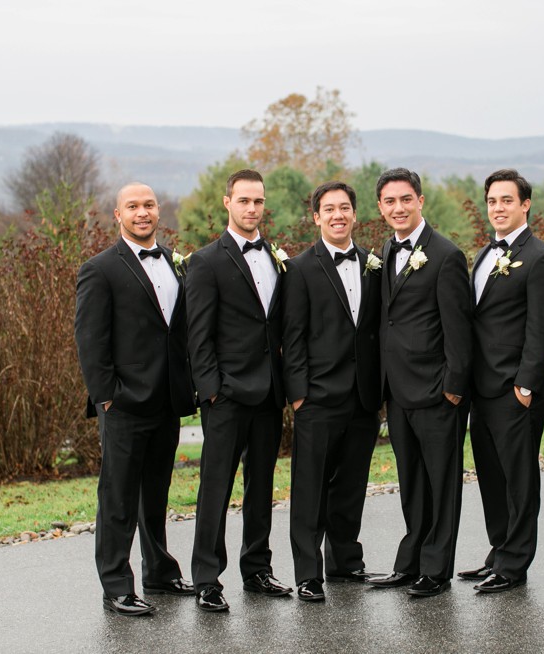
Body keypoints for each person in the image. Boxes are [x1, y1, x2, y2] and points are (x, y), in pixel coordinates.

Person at [74, 182, 196, 616]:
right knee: (118, 498)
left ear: (158, 210)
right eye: (133, 206)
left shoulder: (176, 265)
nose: (142, 212)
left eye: (148, 205)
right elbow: (90, 341)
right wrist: (107, 398)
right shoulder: (99, 269)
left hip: (166, 400)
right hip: (124, 404)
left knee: (155, 493)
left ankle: (159, 572)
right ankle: (116, 585)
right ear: (118, 215)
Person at [185, 169, 292, 612]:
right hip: (226, 396)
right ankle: (207, 578)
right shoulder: (206, 261)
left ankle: (257, 568)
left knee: (261, 486)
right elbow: (197, 335)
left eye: (258, 202)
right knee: (216, 487)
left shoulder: (276, 258)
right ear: (227, 202)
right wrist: (212, 392)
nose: (252, 209)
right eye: (244, 200)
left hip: (269, 394)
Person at [366, 168, 473, 597]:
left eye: (405, 199)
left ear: (420, 201)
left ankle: (436, 569)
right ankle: (410, 562)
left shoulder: (445, 255)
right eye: (390, 201)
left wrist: (453, 386)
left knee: (441, 484)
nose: (398, 208)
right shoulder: (386, 251)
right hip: (397, 390)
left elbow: (458, 329)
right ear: (381, 207)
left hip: (436, 391)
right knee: (411, 482)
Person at [459, 169, 544, 593]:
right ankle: (498, 550)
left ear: (525, 205)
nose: (498, 208)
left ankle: (515, 563)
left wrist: (525, 386)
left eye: (507, 200)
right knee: (491, 475)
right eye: (492, 201)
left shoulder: (542, 258)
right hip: (482, 390)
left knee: (519, 479)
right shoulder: (485, 255)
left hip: (516, 391)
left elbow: (543, 329)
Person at [281, 181, 383, 602]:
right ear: (316, 217)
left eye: (345, 208)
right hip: (318, 397)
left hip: (363, 398)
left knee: (350, 486)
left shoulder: (373, 264)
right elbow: (293, 335)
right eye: (329, 209)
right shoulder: (301, 268)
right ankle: (308, 573)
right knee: (310, 489)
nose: (338, 215)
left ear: (355, 215)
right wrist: (299, 394)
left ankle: (345, 561)